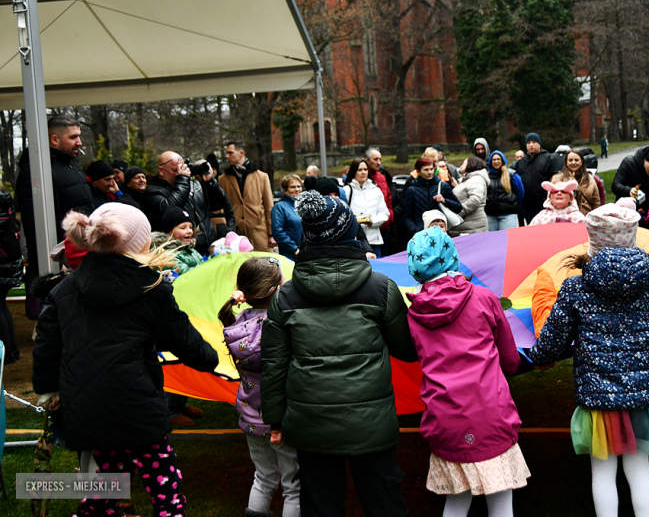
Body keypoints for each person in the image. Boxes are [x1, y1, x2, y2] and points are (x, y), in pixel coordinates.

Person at [33, 203, 219, 517]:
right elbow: (183, 339)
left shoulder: (64, 289)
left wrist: (49, 390)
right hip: (138, 404)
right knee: (164, 487)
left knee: (105, 482)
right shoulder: (151, 288)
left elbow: (46, 348)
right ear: (138, 243)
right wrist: (210, 358)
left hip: (86, 403)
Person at [260, 191, 418, 517]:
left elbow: (273, 366)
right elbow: (406, 350)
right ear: (349, 233)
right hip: (371, 424)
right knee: (384, 502)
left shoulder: (285, 296)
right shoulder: (381, 288)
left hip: (310, 424)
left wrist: (275, 419)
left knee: (320, 504)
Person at [528, 204, 649, 517]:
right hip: (641, 397)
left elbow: (552, 344)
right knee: (640, 472)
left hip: (597, 400)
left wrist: (535, 356)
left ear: (592, 240)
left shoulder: (575, 288)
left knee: (603, 474)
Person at [405, 227, 530, 517]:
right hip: (490, 414)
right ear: (451, 256)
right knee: (500, 501)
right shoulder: (483, 298)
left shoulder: (414, 313)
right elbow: (510, 360)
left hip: (444, 418)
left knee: (456, 501)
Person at [220, 257, 300, 517]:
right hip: (282, 418)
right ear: (278, 289)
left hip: (251, 416)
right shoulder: (282, 326)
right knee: (293, 485)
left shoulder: (238, 323)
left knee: (263, 477)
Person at [16, 116, 93, 311]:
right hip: (60, 259)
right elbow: (33, 222)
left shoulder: (71, 165)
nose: (79, 142)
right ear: (54, 139)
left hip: (79, 254)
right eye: (73, 137)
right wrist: (48, 262)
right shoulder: (36, 171)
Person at [141, 151, 225, 255]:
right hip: (180, 253)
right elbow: (169, 208)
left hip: (208, 245)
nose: (181, 172)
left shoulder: (193, 184)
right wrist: (183, 180)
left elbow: (218, 204)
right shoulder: (152, 192)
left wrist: (210, 182)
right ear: (161, 171)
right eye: (176, 169)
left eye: (183, 167)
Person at [219, 141, 277, 252]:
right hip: (235, 235)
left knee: (262, 266)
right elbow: (222, 208)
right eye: (226, 153)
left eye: (230, 153)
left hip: (259, 233)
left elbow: (269, 207)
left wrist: (271, 234)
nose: (227, 156)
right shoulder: (223, 179)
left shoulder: (261, 177)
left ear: (241, 153)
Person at [312, 177, 377, 260]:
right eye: (328, 195)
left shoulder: (348, 215)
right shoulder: (312, 221)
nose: (334, 198)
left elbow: (361, 237)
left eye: (336, 195)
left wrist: (368, 251)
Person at [404, 157, 462, 235]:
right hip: (421, 233)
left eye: (431, 169)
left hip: (440, 232)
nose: (430, 172)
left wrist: (445, 201)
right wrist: (414, 230)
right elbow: (407, 215)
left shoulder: (442, 186)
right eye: (426, 170)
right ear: (418, 172)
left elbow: (458, 207)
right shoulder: (412, 190)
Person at [344, 159, 390, 256]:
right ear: (354, 171)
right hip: (355, 242)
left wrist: (372, 222)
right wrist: (354, 220)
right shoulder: (347, 190)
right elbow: (342, 214)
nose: (363, 172)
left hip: (374, 240)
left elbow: (385, 213)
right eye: (359, 170)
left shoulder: (376, 190)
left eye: (365, 169)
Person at [612, 147, 649, 214]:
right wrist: (629, 190)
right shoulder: (629, 163)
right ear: (645, 160)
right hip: (626, 211)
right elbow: (615, 186)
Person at [0, 187, 23, 364]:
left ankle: (6, 353)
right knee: (2, 306)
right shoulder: (5, 200)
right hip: (8, 260)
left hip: (2, 261)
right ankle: (12, 350)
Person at [516, 133, 558, 225]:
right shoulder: (521, 162)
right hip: (526, 203)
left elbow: (554, 178)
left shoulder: (548, 158)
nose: (531, 145)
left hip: (542, 201)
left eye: (534, 142)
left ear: (539, 144)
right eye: (529, 142)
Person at [551, 149, 601, 215]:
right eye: (570, 160)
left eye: (576, 160)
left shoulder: (590, 180)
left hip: (586, 218)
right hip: (565, 218)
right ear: (566, 162)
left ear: (581, 162)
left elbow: (596, 202)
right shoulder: (557, 178)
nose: (573, 162)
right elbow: (550, 200)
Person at [450, 156, 489, 236]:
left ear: (471, 164)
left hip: (472, 228)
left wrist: (457, 212)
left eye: (463, 163)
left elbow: (475, 200)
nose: (460, 166)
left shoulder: (476, 179)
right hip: (467, 227)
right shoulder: (470, 179)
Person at [485, 151, 525, 231]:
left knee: (506, 240)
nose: (496, 162)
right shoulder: (487, 175)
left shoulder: (512, 174)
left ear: (502, 160)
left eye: (498, 159)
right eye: (494, 160)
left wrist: (513, 204)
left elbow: (521, 192)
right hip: (491, 215)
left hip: (508, 215)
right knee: (493, 241)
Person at [271, 175, 303, 261]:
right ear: (284, 190)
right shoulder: (279, 207)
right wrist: (294, 249)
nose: (297, 189)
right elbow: (278, 232)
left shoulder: (304, 205)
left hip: (306, 252)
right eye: (293, 187)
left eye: (299, 186)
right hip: (291, 255)